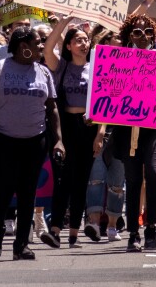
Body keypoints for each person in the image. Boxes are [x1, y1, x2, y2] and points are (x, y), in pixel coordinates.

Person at [0, 26, 64, 261]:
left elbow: (52, 108)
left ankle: (21, 245)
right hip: (3, 139)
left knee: (28, 192)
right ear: (23, 47)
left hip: (35, 140)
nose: (41, 47)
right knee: (4, 188)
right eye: (37, 43)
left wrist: (58, 141)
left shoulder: (43, 72)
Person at [40, 16, 95, 249]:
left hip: (89, 129)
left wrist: (100, 132)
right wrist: (62, 23)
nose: (83, 44)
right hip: (64, 129)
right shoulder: (61, 66)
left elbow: (105, 101)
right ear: (69, 46)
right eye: (78, 40)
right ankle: (55, 230)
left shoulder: (97, 68)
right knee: (63, 179)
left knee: (81, 180)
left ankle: (74, 233)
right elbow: (47, 48)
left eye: (86, 40)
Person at [110, 14, 156, 251]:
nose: (144, 37)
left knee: (155, 173)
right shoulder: (117, 60)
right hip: (127, 129)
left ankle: (151, 226)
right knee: (132, 180)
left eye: (148, 32)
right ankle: (134, 232)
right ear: (128, 36)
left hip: (153, 128)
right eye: (137, 33)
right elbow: (108, 92)